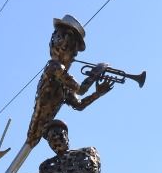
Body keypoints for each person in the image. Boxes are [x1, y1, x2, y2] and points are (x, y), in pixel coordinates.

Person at [25, 14, 114, 147]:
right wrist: (95, 73)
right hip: (36, 132)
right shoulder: (54, 67)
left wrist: (98, 93)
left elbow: (79, 104)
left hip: (40, 132)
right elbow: (81, 90)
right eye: (73, 50)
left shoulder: (63, 84)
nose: (74, 55)